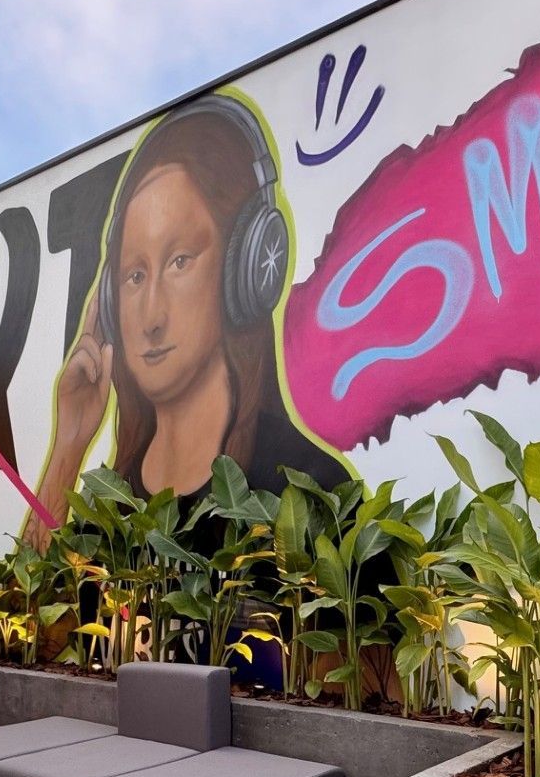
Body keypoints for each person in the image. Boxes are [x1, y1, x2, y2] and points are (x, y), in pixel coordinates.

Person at [28, 95, 346, 545]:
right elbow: (31, 591)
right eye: (135, 275)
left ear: (246, 265)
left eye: (180, 261)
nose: (151, 317)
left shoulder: (308, 490)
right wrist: (69, 444)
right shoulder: (112, 505)